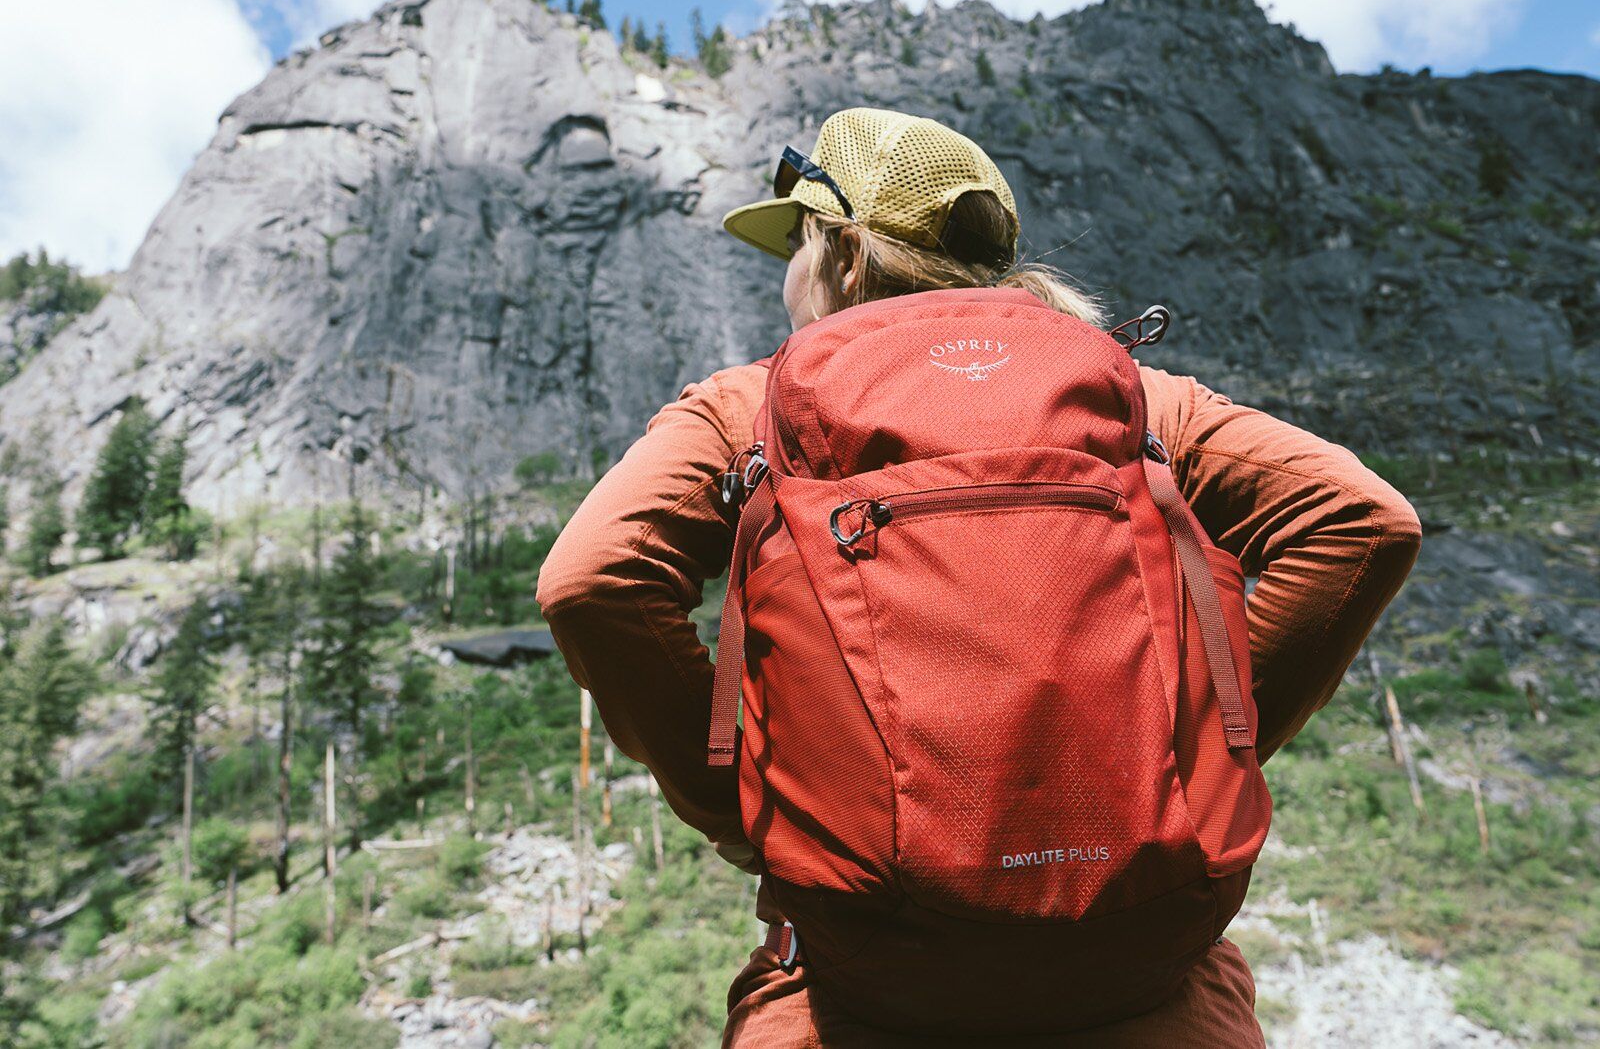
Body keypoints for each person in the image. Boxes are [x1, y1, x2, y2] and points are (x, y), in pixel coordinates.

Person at [536, 108, 1422, 1046]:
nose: (787, 277)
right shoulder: (1133, 396)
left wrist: (740, 805)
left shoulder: (748, 406)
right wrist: (1195, 749)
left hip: (864, 987)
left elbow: (592, 581)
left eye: (794, 245)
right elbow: (1362, 521)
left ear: (840, 252)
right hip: (1144, 983)